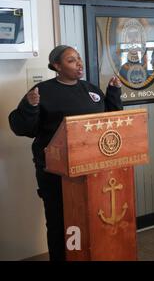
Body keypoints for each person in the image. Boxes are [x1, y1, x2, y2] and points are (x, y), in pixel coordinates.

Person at [9, 45, 123, 261]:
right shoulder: (42, 91)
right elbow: (23, 128)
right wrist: (31, 107)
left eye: (79, 58)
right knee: (61, 222)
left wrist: (113, 93)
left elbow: (110, 121)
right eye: (71, 60)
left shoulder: (91, 89)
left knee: (87, 219)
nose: (79, 63)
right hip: (56, 171)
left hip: (92, 168)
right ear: (56, 66)